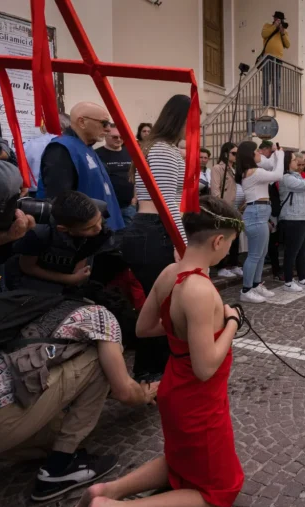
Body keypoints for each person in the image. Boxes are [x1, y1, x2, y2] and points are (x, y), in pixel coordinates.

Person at [74, 196, 245, 507]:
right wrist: (232, 322)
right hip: (199, 399)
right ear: (219, 241)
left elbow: (144, 327)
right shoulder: (201, 290)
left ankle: (105, 489)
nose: (229, 250)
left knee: (181, 462)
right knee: (221, 491)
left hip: (173, 387)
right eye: (230, 244)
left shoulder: (170, 273)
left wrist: (184, 331)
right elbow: (205, 366)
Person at [0, 298, 158, 501]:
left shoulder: (46, 306)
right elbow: (124, 391)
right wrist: (146, 393)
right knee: (99, 361)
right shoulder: (103, 318)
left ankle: (36, 443)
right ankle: (60, 465)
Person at [121, 94, 191, 381]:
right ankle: (156, 373)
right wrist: (181, 243)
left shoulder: (162, 148)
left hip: (151, 229)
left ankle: (151, 372)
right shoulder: (163, 150)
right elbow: (166, 203)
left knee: (159, 303)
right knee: (165, 306)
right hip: (155, 229)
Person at [37, 102, 124, 231]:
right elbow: (60, 201)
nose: (108, 129)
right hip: (85, 235)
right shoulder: (61, 149)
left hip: (104, 230)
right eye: (104, 123)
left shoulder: (86, 147)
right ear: (82, 122)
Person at [5, 191, 112, 293]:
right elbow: (27, 267)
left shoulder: (94, 214)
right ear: (63, 229)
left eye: (99, 219)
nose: (98, 228)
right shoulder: (38, 233)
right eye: (89, 228)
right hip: (38, 282)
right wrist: (70, 279)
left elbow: (86, 252)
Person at [237, 140, 284, 303]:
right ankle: (246, 289)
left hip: (260, 212)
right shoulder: (254, 172)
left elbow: (270, 164)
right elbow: (278, 174)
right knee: (255, 255)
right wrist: (281, 155)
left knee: (261, 253)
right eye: (257, 151)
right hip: (256, 212)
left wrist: (275, 155)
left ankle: (256, 284)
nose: (260, 154)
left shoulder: (253, 170)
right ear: (250, 155)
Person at [279, 152, 305, 291]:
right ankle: (288, 281)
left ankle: (302, 278)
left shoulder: (297, 176)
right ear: (287, 163)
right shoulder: (286, 178)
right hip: (292, 218)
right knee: (292, 251)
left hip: (304, 217)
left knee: (303, 251)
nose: (297, 162)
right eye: (293, 160)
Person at [210, 142, 241, 278]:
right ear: (225, 153)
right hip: (223, 208)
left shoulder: (234, 169)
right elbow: (215, 190)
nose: (236, 156)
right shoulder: (218, 168)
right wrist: (220, 206)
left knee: (235, 237)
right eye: (234, 153)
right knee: (223, 237)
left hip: (235, 208)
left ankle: (234, 264)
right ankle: (221, 266)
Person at [96, 123, 136, 227]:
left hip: (129, 205)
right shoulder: (97, 154)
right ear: (106, 136)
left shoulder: (131, 153)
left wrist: (135, 199)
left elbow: (138, 176)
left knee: (130, 235)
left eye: (121, 137)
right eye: (115, 137)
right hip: (108, 205)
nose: (118, 139)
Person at [23, 113, 71, 196]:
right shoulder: (69, 144)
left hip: (31, 194)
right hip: (60, 195)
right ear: (66, 126)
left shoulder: (28, 145)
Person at [261, 11, 291, 106]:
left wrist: (282, 33)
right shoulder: (268, 26)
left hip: (278, 59)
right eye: (277, 19)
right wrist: (275, 26)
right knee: (266, 81)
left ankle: (275, 104)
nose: (278, 21)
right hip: (267, 58)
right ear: (274, 19)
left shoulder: (284, 31)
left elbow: (287, 45)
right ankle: (265, 104)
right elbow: (264, 34)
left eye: (280, 20)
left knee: (276, 83)